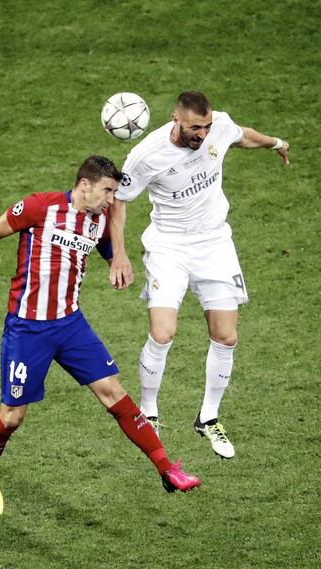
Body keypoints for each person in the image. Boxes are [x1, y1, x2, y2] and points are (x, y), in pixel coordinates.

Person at [0, 155, 201, 516]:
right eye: (107, 191)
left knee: (114, 392)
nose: (111, 199)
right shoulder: (40, 207)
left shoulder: (99, 222)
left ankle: (167, 469)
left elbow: (113, 252)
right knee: (12, 417)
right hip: (28, 328)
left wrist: (119, 262)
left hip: (70, 324)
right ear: (84, 186)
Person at [109, 91, 290, 459]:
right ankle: (149, 412)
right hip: (168, 247)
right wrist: (119, 255)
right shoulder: (147, 155)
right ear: (176, 120)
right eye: (195, 127)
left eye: (206, 126)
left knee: (226, 336)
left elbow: (242, 135)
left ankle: (208, 418)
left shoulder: (218, 126)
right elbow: (119, 201)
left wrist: (277, 143)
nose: (203, 134)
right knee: (163, 332)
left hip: (214, 244)